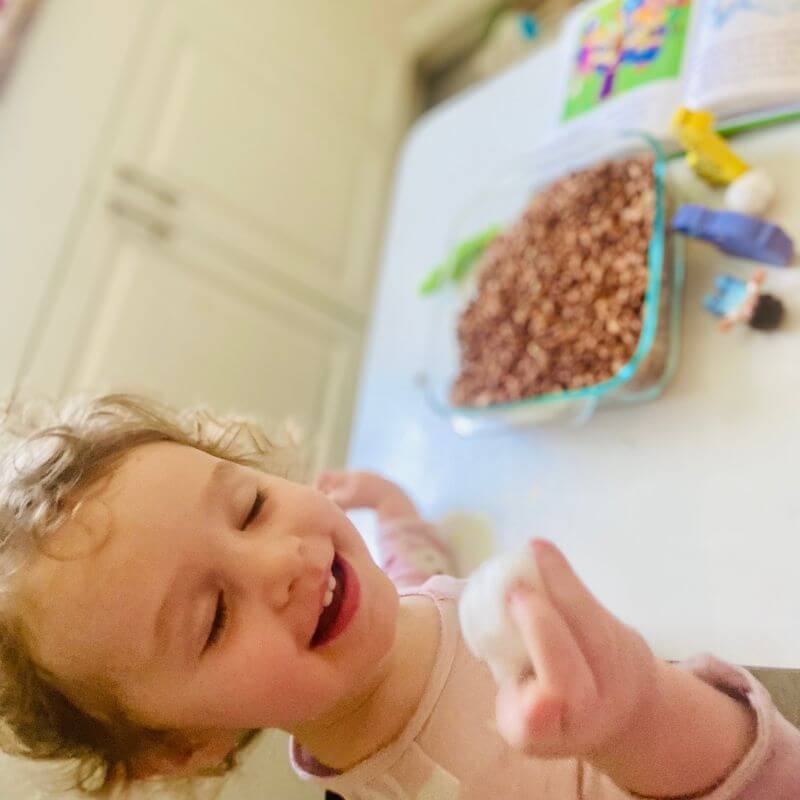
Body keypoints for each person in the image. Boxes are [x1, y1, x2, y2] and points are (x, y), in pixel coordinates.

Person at [0, 394, 797, 798]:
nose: (279, 563)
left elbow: (419, 580)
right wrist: (639, 720)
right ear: (183, 748)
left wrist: (394, 511)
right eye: (213, 619)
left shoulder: (392, 616)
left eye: (250, 507)